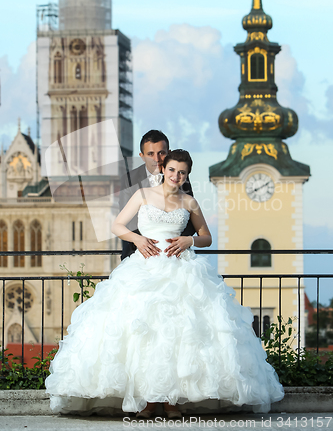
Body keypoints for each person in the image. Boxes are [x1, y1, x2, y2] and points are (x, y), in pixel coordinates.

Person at [45, 150, 284, 417]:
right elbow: (117, 225)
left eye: (182, 172)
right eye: (172, 170)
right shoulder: (143, 195)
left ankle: (172, 402)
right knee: (145, 332)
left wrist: (188, 240)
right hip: (144, 267)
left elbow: (206, 237)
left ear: (187, 174)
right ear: (163, 169)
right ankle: (147, 402)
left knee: (179, 333)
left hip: (180, 269)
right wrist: (137, 240)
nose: (176, 176)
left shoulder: (190, 202)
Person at [120, 130, 195, 260]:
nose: (157, 159)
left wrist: (177, 242)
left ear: (169, 153)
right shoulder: (129, 180)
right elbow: (125, 221)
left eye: (161, 153)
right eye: (150, 154)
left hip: (176, 256)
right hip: (138, 254)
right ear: (142, 156)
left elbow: (190, 217)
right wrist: (143, 242)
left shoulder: (180, 178)